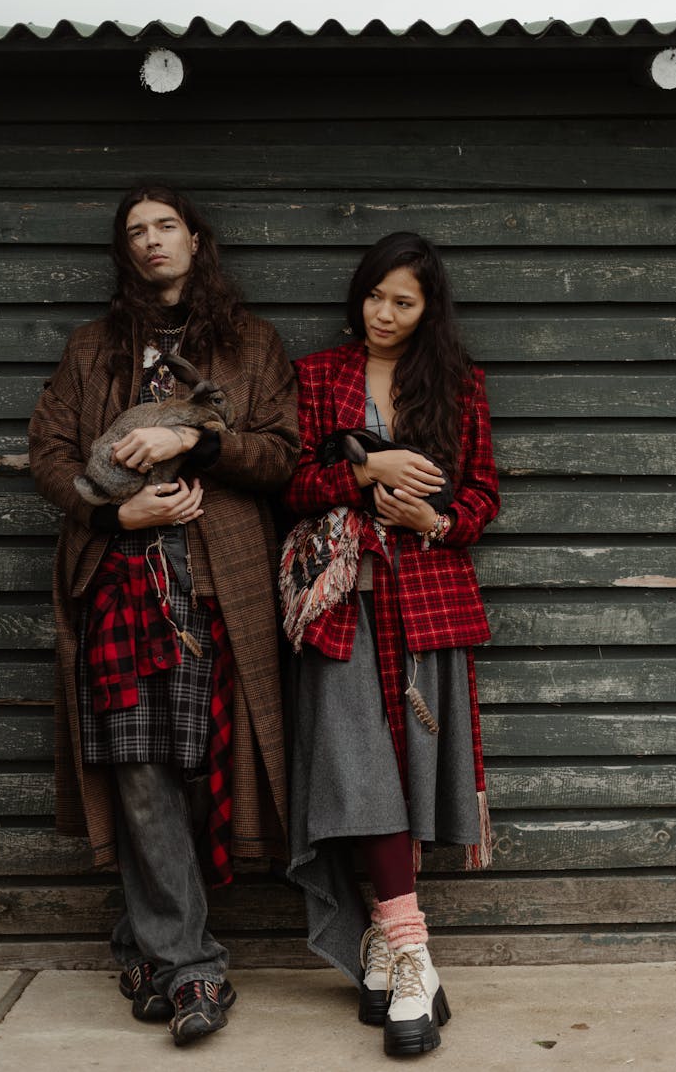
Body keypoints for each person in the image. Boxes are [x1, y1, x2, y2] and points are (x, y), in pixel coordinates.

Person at [28, 184, 299, 1045]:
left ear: (195, 238)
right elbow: (50, 455)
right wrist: (117, 515)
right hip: (119, 577)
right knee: (141, 767)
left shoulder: (252, 345)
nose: (151, 242)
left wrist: (198, 440)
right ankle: (194, 969)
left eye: (165, 227)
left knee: (196, 773)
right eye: (136, 232)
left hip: (221, 585)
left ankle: (138, 939)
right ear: (126, 252)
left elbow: (284, 456)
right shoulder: (92, 347)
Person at [279, 232, 500, 1057]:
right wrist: (366, 475)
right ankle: (412, 950)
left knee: (407, 772)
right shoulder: (319, 374)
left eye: (403, 301)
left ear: (426, 309)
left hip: (429, 600)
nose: (384, 312)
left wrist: (436, 520)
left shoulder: (457, 383)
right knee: (361, 770)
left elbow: (483, 491)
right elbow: (292, 483)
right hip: (341, 604)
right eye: (375, 295)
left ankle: (389, 946)